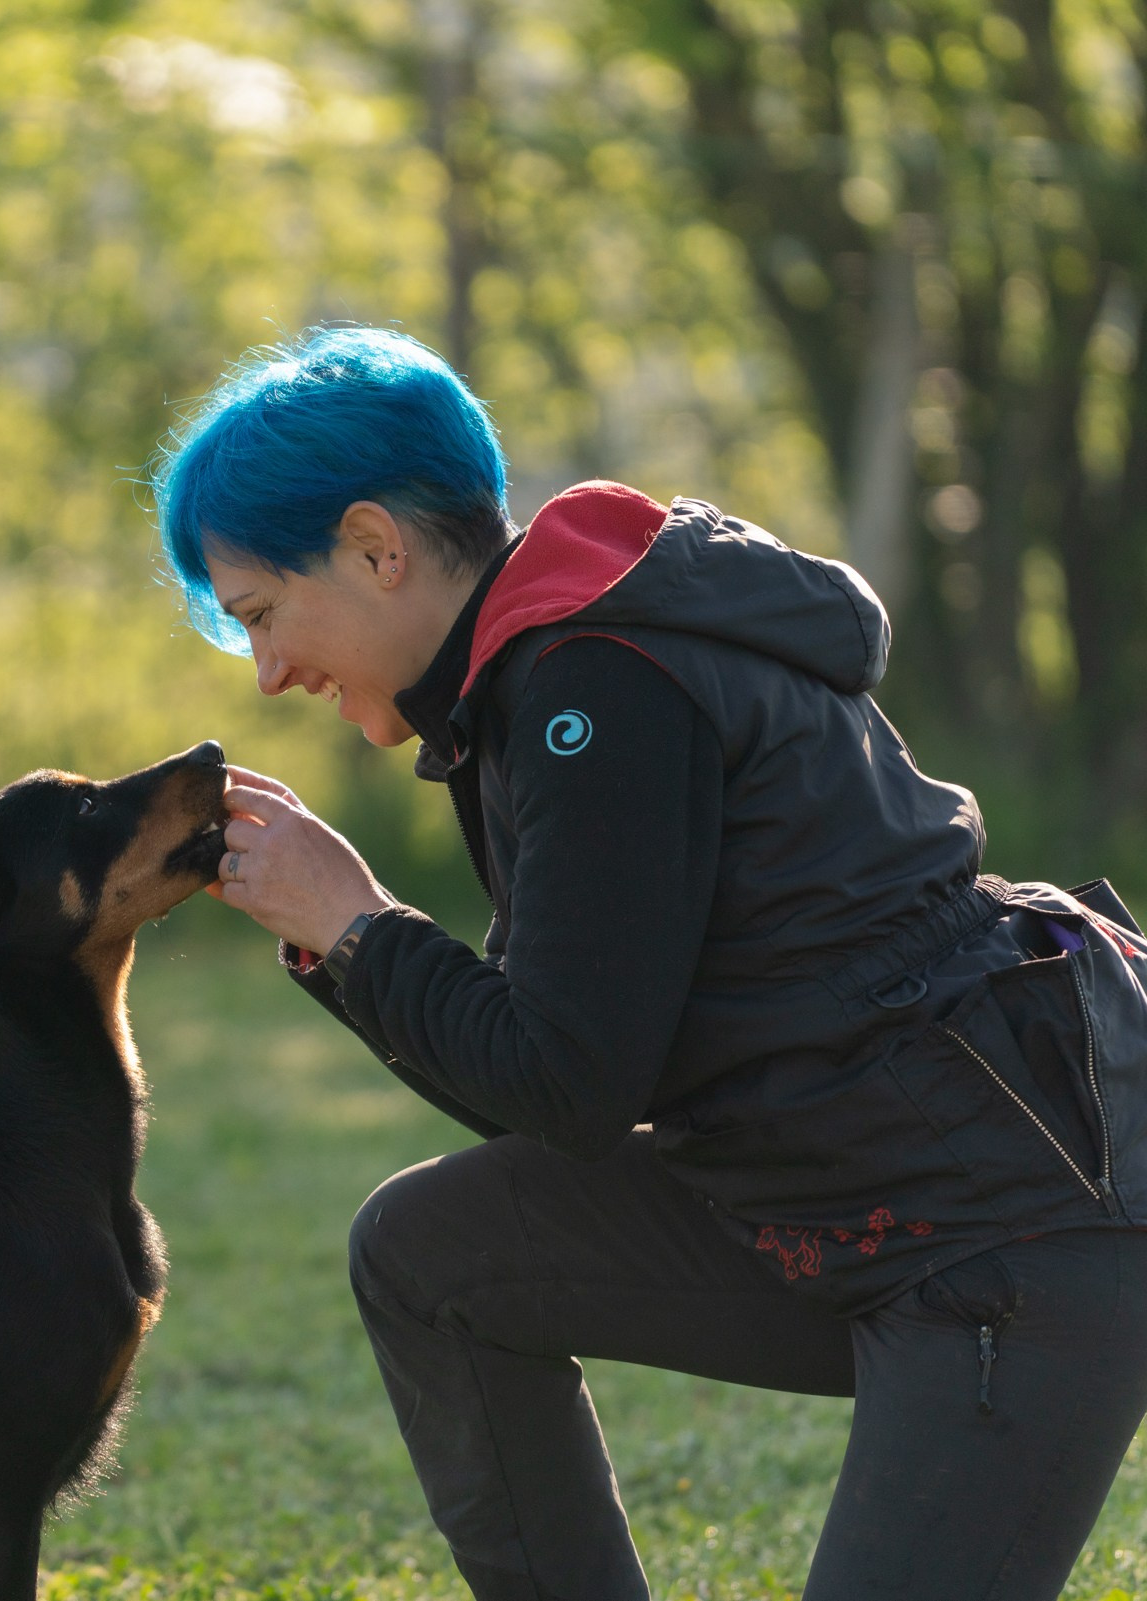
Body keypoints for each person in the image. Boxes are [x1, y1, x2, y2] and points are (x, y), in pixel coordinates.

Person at [149, 324, 1147, 1601]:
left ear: (374, 547)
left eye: (262, 613)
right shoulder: (543, 676)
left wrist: (359, 924)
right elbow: (546, 1084)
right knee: (430, 1252)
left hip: (1005, 1238)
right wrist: (337, 938)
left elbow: (567, 1079)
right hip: (823, 1195)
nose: (270, 669)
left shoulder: (598, 686)